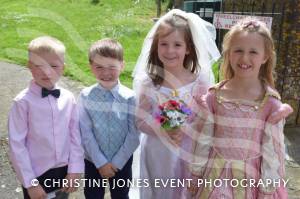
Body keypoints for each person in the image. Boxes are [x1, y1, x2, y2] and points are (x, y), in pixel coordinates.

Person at [189, 18, 289, 198]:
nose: (244, 58)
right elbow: (203, 141)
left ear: (265, 56)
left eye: (253, 52)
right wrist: (196, 174)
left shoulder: (270, 104)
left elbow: (272, 152)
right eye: (238, 50)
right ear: (228, 53)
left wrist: (268, 188)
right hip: (214, 181)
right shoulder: (213, 97)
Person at [133, 9, 221, 198]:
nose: (170, 50)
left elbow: (206, 118)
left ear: (188, 48)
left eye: (177, 45)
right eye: (163, 44)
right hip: (157, 152)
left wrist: (186, 129)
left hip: (187, 150)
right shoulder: (149, 83)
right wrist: (162, 128)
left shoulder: (200, 82)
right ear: (156, 47)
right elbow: (140, 121)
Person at [8, 36, 84, 199]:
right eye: (39, 66)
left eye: (53, 66)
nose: (46, 71)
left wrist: (75, 170)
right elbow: (17, 145)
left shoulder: (69, 98)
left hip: (64, 172)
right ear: (29, 66)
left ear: (63, 68)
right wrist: (31, 183)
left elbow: (75, 136)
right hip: (36, 174)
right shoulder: (22, 103)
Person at [79, 38, 140, 199]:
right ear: (91, 67)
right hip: (93, 161)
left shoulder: (130, 98)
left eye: (112, 67)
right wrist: (100, 162)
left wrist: (116, 163)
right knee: (92, 195)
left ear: (122, 66)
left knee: (121, 195)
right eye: (99, 67)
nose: (106, 73)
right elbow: (85, 132)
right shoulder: (86, 96)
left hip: (122, 161)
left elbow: (134, 134)